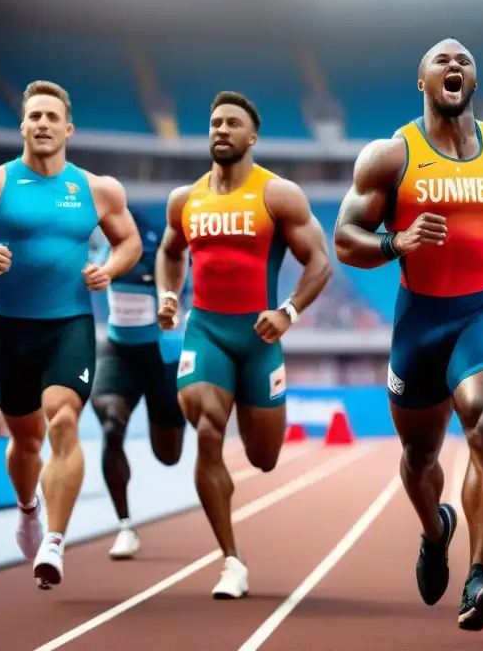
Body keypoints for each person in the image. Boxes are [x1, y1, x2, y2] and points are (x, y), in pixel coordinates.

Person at [333, 38, 483, 631]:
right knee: (419, 456)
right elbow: (344, 236)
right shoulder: (390, 156)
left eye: (464, 61)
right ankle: (436, 533)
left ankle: (479, 577)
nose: (454, 66)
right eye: (441, 61)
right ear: (423, 82)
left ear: (473, 82)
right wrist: (393, 243)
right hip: (419, 323)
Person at [0, 80, 142, 588]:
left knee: (63, 419)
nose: (42, 123)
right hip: (10, 329)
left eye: (51, 117)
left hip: (69, 325)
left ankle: (55, 543)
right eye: (33, 115)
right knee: (26, 439)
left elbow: (128, 243)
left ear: (67, 128)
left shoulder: (97, 189)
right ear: (22, 125)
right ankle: (28, 508)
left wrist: (109, 268)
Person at [155, 91, 332, 599]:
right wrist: (169, 296)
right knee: (208, 430)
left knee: (265, 457)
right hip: (206, 330)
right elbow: (170, 253)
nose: (221, 130)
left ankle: (257, 440)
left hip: (259, 338)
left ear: (251, 137)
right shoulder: (184, 201)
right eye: (215, 123)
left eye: (232, 123)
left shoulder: (279, 195)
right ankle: (231, 560)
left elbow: (319, 262)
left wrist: (288, 312)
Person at [90, 209, 191, 560]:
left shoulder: (166, 254)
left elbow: (186, 288)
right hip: (118, 352)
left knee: (168, 455)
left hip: (163, 356)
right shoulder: (102, 250)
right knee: (111, 424)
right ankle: (124, 525)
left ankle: (175, 419)